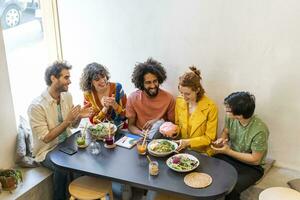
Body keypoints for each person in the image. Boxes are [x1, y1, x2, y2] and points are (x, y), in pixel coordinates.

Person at [28, 61, 92, 200]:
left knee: (86, 156)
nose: (69, 81)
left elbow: (73, 126)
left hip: (66, 143)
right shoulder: (36, 107)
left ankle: (84, 196)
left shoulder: (66, 97)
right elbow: (46, 138)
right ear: (53, 78)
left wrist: (79, 117)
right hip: (47, 150)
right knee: (63, 166)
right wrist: (67, 120)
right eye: (66, 77)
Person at [211, 92, 269, 200]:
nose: (225, 111)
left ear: (240, 115)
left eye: (228, 110)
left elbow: (255, 160)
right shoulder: (231, 118)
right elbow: (225, 131)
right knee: (208, 167)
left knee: (233, 189)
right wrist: (222, 140)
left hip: (252, 167)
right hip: (231, 156)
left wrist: (228, 151)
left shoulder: (260, 130)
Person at [126, 58, 175, 135]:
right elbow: (131, 126)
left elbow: (172, 125)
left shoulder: (169, 98)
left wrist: (158, 122)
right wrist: (141, 133)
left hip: (162, 138)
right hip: (141, 138)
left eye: (155, 81)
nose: (153, 86)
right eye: (148, 82)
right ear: (141, 83)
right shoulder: (132, 98)